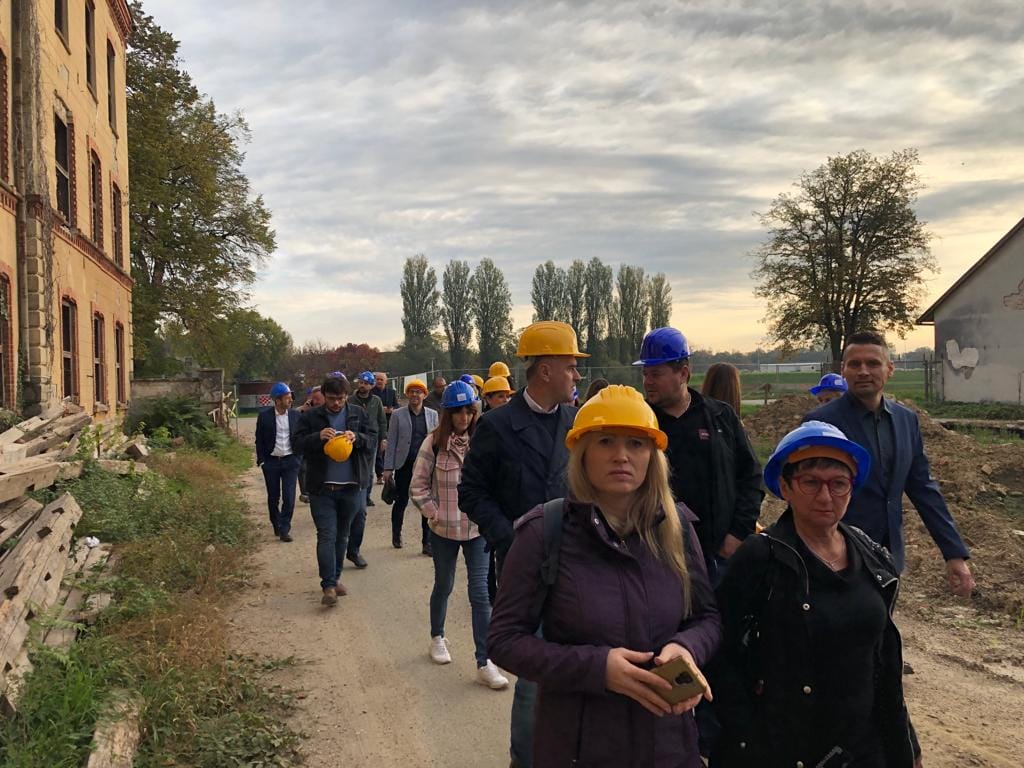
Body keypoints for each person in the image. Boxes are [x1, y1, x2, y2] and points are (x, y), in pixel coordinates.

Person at [488, 385, 721, 768]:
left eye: (636, 443)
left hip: (667, 746)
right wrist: (597, 669)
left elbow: (707, 618)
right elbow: (504, 640)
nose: (621, 456)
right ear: (582, 453)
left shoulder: (676, 527)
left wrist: (687, 647)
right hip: (578, 748)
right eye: (606, 442)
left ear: (652, 456)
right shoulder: (544, 532)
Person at [711, 421, 921, 767]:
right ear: (785, 486)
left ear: (852, 488)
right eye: (810, 482)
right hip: (784, 749)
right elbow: (720, 648)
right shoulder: (761, 558)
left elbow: (884, 666)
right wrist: (747, 734)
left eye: (838, 484)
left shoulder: (873, 558)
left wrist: (905, 747)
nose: (825, 497)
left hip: (864, 750)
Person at [460, 320, 587, 768]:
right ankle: (525, 759)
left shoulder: (577, 423)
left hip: (577, 567)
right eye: (571, 367)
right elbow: (471, 492)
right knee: (533, 680)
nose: (577, 375)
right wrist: (511, 537)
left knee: (577, 674)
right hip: (524, 569)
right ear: (546, 370)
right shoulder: (497, 426)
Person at [804, 330, 974, 594]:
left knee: (884, 619)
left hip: (889, 555)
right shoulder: (820, 423)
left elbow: (924, 489)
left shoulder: (907, 421)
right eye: (855, 364)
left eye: (873, 363)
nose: (863, 371)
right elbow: (806, 493)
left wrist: (954, 553)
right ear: (843, 370)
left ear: (890, 369)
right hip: (836, 555)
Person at [635, 327, 763, 581]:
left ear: (683, 373)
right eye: (645, 374)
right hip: (657, 559)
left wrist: (737, 534)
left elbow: (750, 476)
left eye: (656, 374)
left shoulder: (720, 417)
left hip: (717, 559)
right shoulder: (640, 423)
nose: (648, 381)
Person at [410, 380, 510, 690]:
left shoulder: (485, 442)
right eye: (458, 412)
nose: (464, 418)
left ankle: (484, 661)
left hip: (477, 530)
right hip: (443, 530)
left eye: (469, 411)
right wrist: (434, 512)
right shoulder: (433, 443)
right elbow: (418, 485)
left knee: (480, 594)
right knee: (444, 584)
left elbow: (497, 482)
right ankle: (437, 637)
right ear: (447, 414)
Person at [293, 376, 374, 606]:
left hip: (351, 488)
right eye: (331, 398)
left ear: (347, 396)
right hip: (322, 489)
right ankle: (328, 585)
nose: (336, 403)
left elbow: (372, 440)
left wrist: (357, 437)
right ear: (324, 396)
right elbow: (296, 444)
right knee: (327, 535)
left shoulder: (358, 414)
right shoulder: (311, 417)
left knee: (342, 535)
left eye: (340, 398)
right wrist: (317, 437)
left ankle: (336, 578)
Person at [383, 379, 439, 554]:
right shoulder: (397, 415)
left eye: (418, 391)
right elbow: (391, 442)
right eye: (412, 391)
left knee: (426, 502)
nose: (415, 395)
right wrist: (388, 468)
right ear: (407, 394)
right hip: (404, 464)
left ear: (425, 395)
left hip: (425, 466)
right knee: (401, 500)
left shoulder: (432, 415)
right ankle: (396, 534)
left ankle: (427, 542)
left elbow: (436, 441)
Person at [345, 371, 388, 568]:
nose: (362, 385)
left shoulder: (376, 401)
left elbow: (381, 421)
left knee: (368, 473)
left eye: (365, 383)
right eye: (360, 382)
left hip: (370, 443)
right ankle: (342, 548)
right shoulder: (350, 401)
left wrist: (383, 438)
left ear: (371, 386)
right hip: (349, 447)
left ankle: (353, 550)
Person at [255, 382, 302, 542]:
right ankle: (276, 523)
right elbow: (259, 440)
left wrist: (298, 458)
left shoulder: (296, 416)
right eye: (287, 398)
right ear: (277, 400)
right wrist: (262, 461)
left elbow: (300, 437)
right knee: (273, 496)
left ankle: (284, 528)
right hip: (271, 462)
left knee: (289, 497)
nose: (290, 400)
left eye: (290, 397)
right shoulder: (264, 417)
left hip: (290, 461)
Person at [297, 386, 324, 503]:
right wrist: (304, 410)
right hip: (306, 445)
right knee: (303, 469)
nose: (315, 401)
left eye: (318, 399)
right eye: (313, 398)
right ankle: (305, 492)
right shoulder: (303, 410)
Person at [373, 372, 399, 483]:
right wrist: (380, 410)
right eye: (377, 379)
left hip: (389, 422)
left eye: (381, 379)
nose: (379, 381)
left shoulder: (391, 392)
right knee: (379, 449)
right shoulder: (371, 393)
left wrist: (392, 409)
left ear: (386, 381)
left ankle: (388, 471)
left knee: (388, 448)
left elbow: (397, 405)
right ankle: (379, 474)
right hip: (376, 423)